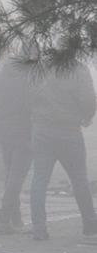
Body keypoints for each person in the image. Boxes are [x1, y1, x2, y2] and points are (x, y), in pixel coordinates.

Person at [28, 61, 97, 240]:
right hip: (69, 130)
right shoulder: (78, 68)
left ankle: (39, 228)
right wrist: (86, 116)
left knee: (39, 180)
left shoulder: (40, 67)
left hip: (42, 130)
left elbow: (28, 95)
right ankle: (90, 225)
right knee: (79, 179)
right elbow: (89, 99)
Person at [0, 55, 31, 234]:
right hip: (23, 129)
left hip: (2, 128)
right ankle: (3, 219)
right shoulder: (28, 79)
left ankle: (16, 216)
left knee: (10, 172)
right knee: (17, 176)